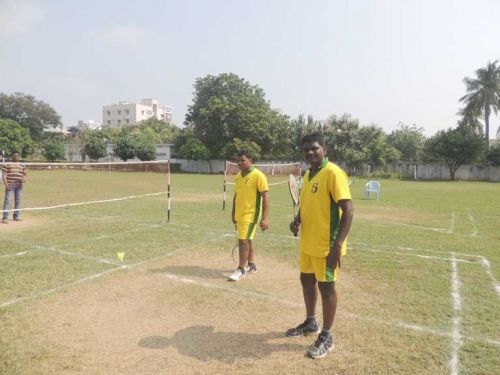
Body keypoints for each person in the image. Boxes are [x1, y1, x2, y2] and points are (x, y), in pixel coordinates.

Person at [287, 133, 354, 359]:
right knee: (306, 281)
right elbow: (307, 205)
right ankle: (310, 322)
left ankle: (327, 335)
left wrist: (337, 247)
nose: (310, 153)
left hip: (327, 245)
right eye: (306, 149)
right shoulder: (307, 176)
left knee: (327, 287)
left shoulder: (333, 173)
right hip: (308, 242)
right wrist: (297, 220)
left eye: (314, 148)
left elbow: (349, 211)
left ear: (324, 148)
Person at [229, 150, 270, 281]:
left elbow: (265, 197)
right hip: (240, 214)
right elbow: (236, 196)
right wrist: (233, 212)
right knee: (249, 239)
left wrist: (265, 218)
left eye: (243, 160)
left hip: (251, 215)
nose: (239, 163)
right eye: (238, 160)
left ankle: (241, 268)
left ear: (250, 160)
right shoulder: (237, 176)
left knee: (243, 241)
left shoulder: (258, 176)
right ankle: (251, 265)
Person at [2, 152, 28, 223]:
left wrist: (25, 179)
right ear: (12, 156)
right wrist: (6, 184)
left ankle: (16, 216)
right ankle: (5, 217)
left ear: (19, 157)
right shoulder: (7, 164)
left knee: (18, 201)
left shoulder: (22, 165)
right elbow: (4, 175)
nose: (16, 157)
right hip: (10, 185)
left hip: (19, 186)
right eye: (15, 155)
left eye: (18, 155)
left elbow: (25, 174)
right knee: (8, 201)